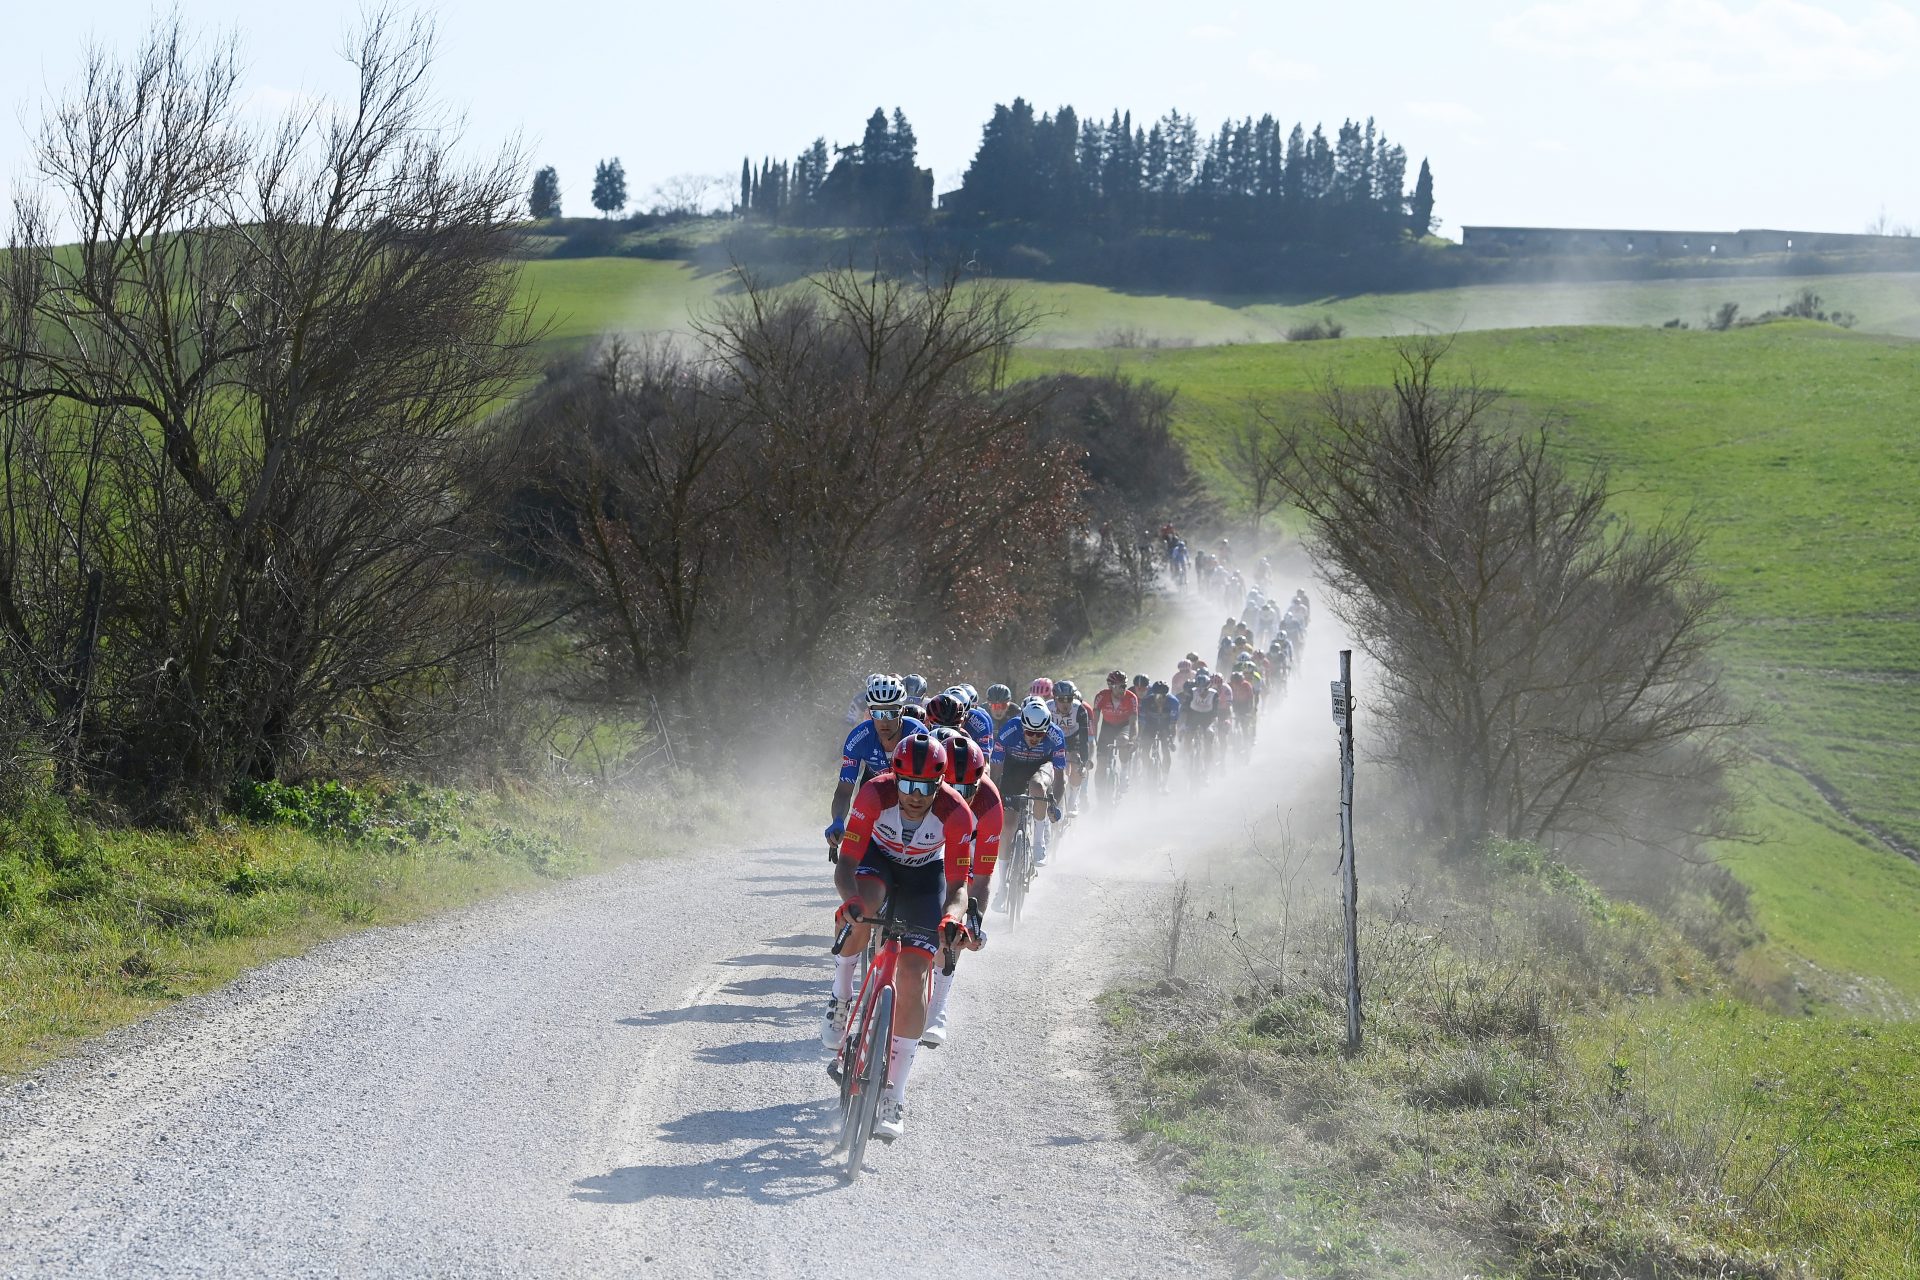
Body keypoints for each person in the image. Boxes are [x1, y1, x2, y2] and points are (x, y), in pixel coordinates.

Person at [823, 733, 974, 1140]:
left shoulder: (957, 813)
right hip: (877, 863)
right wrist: (850, 903)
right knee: (865, 906)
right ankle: (840, 996)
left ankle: (895, 1095)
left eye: (925, 787)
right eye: (906, 783)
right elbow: (848, 863)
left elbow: (959, 887)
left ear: (939, 784)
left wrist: (951, 920)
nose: (913, 795)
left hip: (926, 879)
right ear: (895, 776)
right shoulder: (874, 793)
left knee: (914, 973)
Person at [920, 735, 999, 1049]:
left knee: (954, 930)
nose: (961, 797)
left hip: (961, 863)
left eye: (969, 790)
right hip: (925, 853)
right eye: (953, 787)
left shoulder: (990, 804)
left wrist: (973, 921)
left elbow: (980, 878)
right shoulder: (923, 791)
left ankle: (937, 1008)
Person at [826, 674, 927, 860]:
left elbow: (936, 787)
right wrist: (838, 821)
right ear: (869, 712)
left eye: (891, 712)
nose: (885, 721)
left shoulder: (918, 734)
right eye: (878, 713)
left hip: (911, 793)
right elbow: (843, 791)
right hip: (874, 788)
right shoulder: (858, 738)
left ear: (902, 710)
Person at [989, 697, 1069, 870]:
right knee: (1008, 828)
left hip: (1041, 766)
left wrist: (1054, 803)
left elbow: (1060, 776)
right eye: (1029, 732)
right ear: (1022, 726)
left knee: (1037, 787)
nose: (1034, 737)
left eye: (1040, 734)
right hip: (1014, 768)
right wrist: (994, 798)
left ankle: (1039, 842)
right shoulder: (1009, 730)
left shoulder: (1056, 735)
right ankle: (1002, 885)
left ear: (1047, 729)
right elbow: (996, 769)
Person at [1049, 678, 1094, 824]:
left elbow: (1084, 737)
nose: (1065, 703)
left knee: (1076, 762)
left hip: (1073, 738)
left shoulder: (1079, 709)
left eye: (1069, 699)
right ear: (1055, 698)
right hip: (1054, 738)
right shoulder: (1047, 708)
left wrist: (1084, 760)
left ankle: (1073, 799)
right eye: (1061, 699)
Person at [1091, 670, 1140, 799]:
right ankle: (1099, 793)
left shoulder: (1131, 698)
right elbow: (1094, 721)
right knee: (1101, 764)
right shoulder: (1101, 697)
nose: (1124, 689)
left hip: (1124, 726)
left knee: (1123, 740)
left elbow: (1134, 722)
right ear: (1111, 687)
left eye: (1125, 685)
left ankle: (1124, 774)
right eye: (1121, 686)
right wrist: (1092, 739)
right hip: (1107, 727)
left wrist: (1132, 740)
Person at [1139, 679, 1181, 787]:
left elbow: (1173, 725)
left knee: (1166, 751)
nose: (1160, 699)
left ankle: (1165, 782)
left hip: (1165, 727)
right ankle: (1146, 771)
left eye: (1163, 696)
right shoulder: (1146, 702)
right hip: (1150, 726)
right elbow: (1142, 723)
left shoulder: (1173, 702)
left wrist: (1172, 740)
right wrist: (1139, 737)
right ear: (1153, 695)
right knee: (1144, 750)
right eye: (1157, 696)